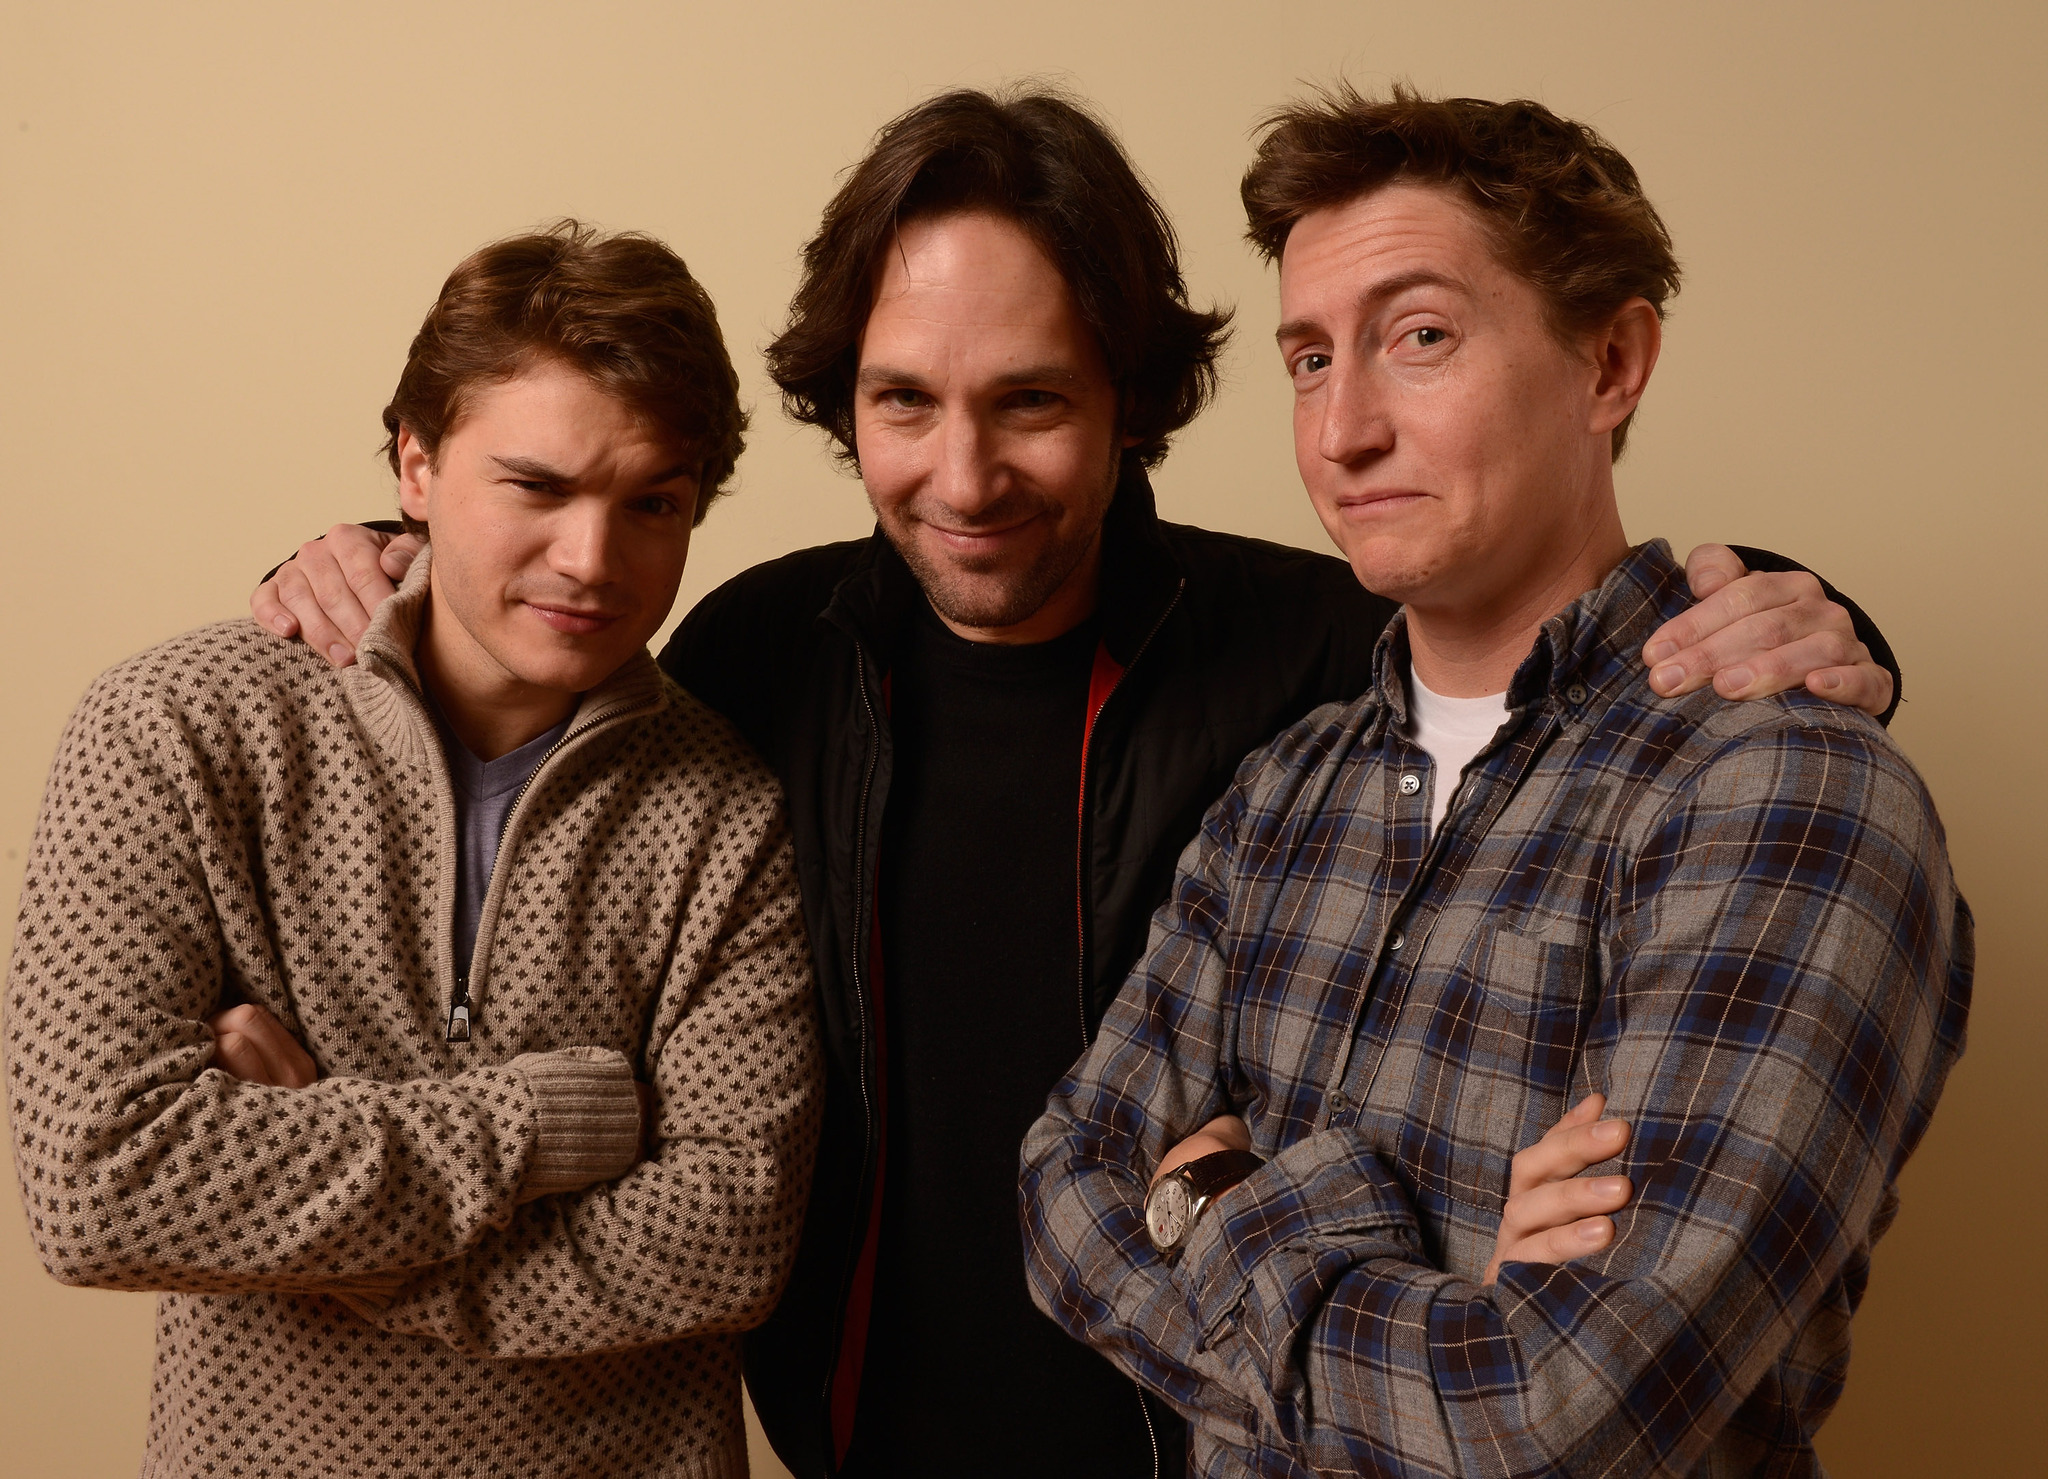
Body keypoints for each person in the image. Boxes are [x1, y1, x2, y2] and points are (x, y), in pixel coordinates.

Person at [249, 91, 1901, 1478]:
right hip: (849, 1445)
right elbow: (520, 664)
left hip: (1215, 1433)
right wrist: (362, 553)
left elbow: (1550, 669)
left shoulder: (1317, 652)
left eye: (1029, 401)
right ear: (847, 406)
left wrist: (1808, 614)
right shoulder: (762, 647)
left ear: (1127, 400)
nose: (961, 478)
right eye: (903, 402)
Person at [1019, 87, 1970, 1478]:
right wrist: (1438, 1279)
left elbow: (1547, 1412)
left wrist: (1220, 1194)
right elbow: (1059, 1189)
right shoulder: (1285, 788)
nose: (1341, 430)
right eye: (1306, 359)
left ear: (1610, 361)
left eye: (1419, 337)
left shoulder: (1786, 790)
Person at [6, 222, 823, 1478]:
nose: (592, 561)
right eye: (536, 488)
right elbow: (99, 1185)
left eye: (651, 501)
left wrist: (344, 1234)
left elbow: (724, 1241)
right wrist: (544, 1127)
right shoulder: (174, 730)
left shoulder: (727, 805)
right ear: (415, 464)